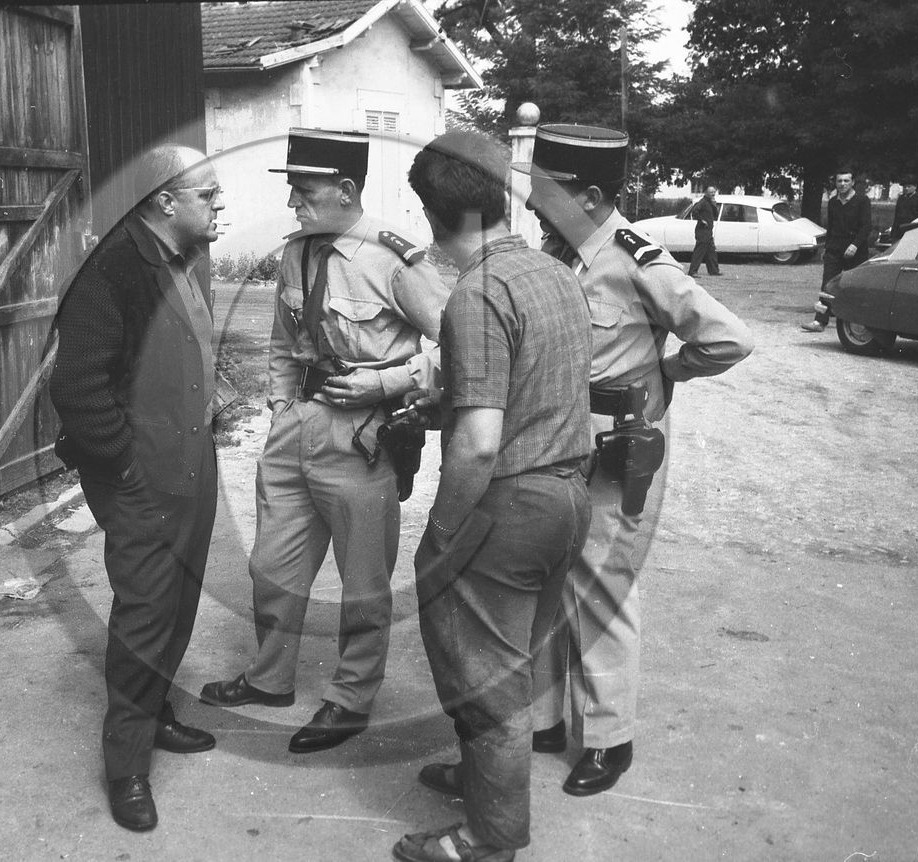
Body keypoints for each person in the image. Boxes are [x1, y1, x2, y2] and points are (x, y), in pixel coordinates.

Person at [199, 128, 449, 753]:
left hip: (363, 436)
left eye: (305, 191)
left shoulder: (393, 259)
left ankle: (351, 697)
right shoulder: (298, 253)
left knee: (363, 580)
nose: (293, 203)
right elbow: (285, 343)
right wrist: (282, 406)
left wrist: (387, 382)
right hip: (296, 428)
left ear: (345, 189)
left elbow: (462, 342)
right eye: (292, 190)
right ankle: (269, 679)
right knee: (271, 567)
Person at [523, 123, 754, 797]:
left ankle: (608, 740)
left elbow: (728, 338)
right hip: (550, 439)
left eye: (547, 191)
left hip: (610, 447)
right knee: (544, 582)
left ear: (591, 197)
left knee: (601, 588)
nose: (533, 202)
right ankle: (542, 721)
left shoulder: (636, 260)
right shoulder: (557, 254)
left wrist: (666, 372)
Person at [391, 129, 593, 862]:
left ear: (433, 214)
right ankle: (481, 783)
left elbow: (480, 443)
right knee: (511, 665)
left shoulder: (476, 294)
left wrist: (444, 530)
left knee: (486, 686)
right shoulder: (554, 272)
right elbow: (535, 383)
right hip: (568, 497)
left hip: (507, 507)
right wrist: (447, 402)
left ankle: (487, 839)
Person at [49, 145, 225, 832]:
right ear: (166, 202)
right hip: (143, 477)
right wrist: (124, 465)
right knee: (146, 612)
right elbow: (76, 386)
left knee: (179, 601)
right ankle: (126, 764)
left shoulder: (183, 258)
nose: (220, 204)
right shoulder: (111, 269)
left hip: (191, 465)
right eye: (208, 193)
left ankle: (156, 714)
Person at [801, 169, 872, 332]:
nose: (842, 184)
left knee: (854, 286)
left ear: (852, 182)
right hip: (835, 249)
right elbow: (831, 227)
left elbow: (866, 227)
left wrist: (855, 245)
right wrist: (826, 248)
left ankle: (857, 324)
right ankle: (819, 321)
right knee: (827, 286)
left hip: (856, 251)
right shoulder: (833, 202)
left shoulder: (862, 201)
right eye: (839, 181)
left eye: (846, 181)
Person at [686, 185, 721, 276]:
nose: (713, 194)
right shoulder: (702, 202)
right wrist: (702, 220)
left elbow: (715, 215)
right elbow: (694, 211)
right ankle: (692, 271)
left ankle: (713, 271)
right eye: (711, 192)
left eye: (714, 192)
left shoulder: (711, 202)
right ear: (706, 193)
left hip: (708, 231)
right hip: (702, 231)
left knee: (711, 252)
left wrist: (714, 205)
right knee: (699, 251)